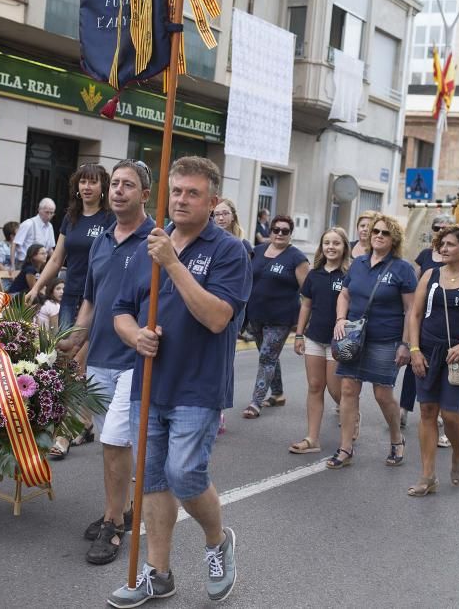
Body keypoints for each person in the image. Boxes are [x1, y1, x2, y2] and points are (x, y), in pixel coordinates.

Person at [107, 156, 249, 606]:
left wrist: (171, 262)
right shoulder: (152, 241)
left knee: (185, 474)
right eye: (177, 191)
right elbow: (120, 311)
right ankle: (158, 573)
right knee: (151, 481)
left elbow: (216, 317)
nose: (183, 200)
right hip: (148, 382)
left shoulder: (227, 251)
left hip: (197, 385)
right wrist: (136, 335)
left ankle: (216, 540)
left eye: (193, 193)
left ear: (212, 201)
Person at [57, 159, 154, 566]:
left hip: (135, 361)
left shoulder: (156, 241)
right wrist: (73, 341)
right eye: (114, 184)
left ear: (144, 195)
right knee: (111, 445)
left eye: (127, 185)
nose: (117, 191)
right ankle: (123, 509)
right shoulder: (101, 240)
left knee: (116, 440)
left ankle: (114, 524)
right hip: (98, 359)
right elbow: (91, 302)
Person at [405, 224, 459, 495]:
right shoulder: (430, 275)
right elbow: (415, 315)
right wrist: (414, 350)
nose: (443, 249)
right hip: (428, 351)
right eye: (441, 244)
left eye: (450, 245)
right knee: (427, 411)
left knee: (451, 414)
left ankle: (457, 452)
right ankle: (428, 475)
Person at [327, 213, 416, 469]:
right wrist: (340, 319)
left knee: (382, 394)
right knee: (347, 390)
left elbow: (411, 311)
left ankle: (397, 439)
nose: (378, 235)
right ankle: (345, 447)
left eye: (385, 233)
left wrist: (405, 344)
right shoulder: (358, 263)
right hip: (354, 338)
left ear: (394, 239)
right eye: (375, 231)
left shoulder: (403, 269)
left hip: (386, 340)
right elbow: (344, 294)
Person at [28, 163, 113, 332]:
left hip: (97, 296)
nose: (86, 187)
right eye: (83, 182)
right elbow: (56, 259)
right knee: (64, 347)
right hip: (70, 293)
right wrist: (36, 288)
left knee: (85, 349)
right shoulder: (71, 217)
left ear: (103, 186)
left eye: (93, 182)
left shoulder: (110, 218)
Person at [289, 227, 350, 454]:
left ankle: (352, 414)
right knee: (315, 386)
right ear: (321, 247)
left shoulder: (348, 275)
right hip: (314, 337)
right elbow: (306, 305)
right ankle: (312, 438)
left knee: (336, 391)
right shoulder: (314, 274)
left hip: (339, 341)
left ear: (344, 247)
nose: (331, 247)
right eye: (327, 243)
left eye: (336, 243)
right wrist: (298, 334)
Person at [242, 214, 309, 417]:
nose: (279, 234)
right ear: (270, 231)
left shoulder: (297, 258)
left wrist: (303, 324)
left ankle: (256, 402)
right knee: (268, 355)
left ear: (290, 234)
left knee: (267, 357)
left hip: (281, 318)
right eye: (276, 230)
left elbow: (308, 292)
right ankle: (278, 394)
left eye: (285, 231)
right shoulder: (257, 251)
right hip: (256, 315)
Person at [401, 213, 452, 438]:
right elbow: (416, 287)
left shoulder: (458, 258)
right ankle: (404, 408)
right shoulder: (425, 255)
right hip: (423, 319)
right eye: (436, 227)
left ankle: (438, 412)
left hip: (445, 323)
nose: (440, 230)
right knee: (415, 364)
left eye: (445, 227)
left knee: (440, 370)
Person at [214, 197, 253, 345]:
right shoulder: (210, 242)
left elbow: (245, 281)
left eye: (225, 213)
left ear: (233, 216)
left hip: (233, 305)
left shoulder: (243, 245)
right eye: (217, 214)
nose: (221, 218)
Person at [13, 198, 56, 267]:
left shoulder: (50, 226)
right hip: (24, 263)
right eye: (47, 212)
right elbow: (15, 243)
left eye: (52, 213)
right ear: (39, 210)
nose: (49, 215)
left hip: (40, 264)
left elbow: (50, 249)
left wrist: (56, 263)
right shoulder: (28, 223)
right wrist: (12, 265)